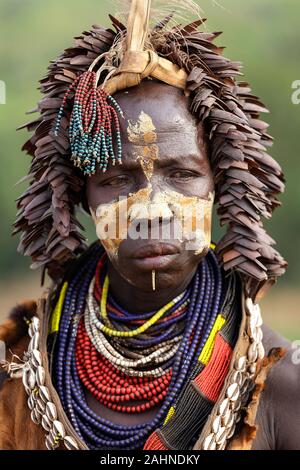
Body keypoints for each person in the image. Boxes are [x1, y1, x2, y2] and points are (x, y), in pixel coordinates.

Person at [0, 0, 299, 451]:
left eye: (181, 175)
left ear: (220, 182)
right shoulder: (15, 373)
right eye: (117, 180)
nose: (152, 210)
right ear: (81, 196)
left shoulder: (279, 386)